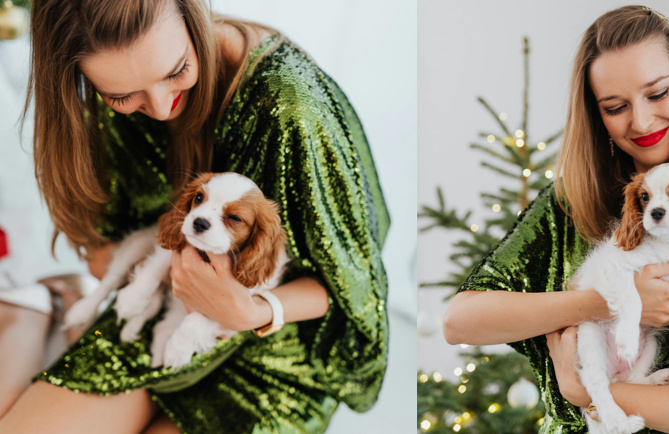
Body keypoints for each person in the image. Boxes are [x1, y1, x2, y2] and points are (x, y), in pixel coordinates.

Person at [0, 0, 391, 432]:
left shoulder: (292, 109)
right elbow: (105, 245)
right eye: (124, 96)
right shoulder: (101, 93)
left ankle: (43, 308)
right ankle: (33, 309)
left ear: (192, 15)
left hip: (279, 358)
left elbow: (356, 294)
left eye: (176, 71)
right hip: (156, 314)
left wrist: (248, 313)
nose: (163, 105)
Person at [441, 6, 669, 434]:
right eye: (615, 106)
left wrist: (584, 390)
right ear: (597, 115)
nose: (640, 121)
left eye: (657, 94)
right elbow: (459, 321)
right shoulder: (571, 201)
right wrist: (606, 301)